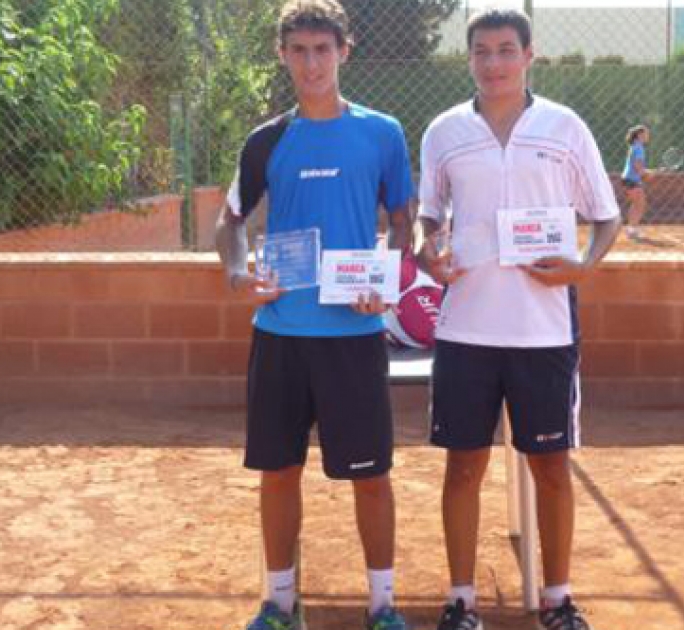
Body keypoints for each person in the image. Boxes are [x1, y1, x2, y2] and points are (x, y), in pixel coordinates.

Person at [417, 9, 621, 630]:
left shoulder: (564, 127)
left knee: (552, 470)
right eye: (481, 51)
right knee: (463, 467)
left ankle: (558, 599)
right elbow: (430, 215)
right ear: (469, 58)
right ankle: (462, 600)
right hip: (465, 333)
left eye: (506, 50)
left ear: (529, 56)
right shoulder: (444, 132)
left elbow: (606, 216)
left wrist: (581, 266)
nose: (494, 63)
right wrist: (432, 249)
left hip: (544, 332)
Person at [215, 2, 414, 629]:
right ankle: (279, 604)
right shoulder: (266, 139)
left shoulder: (383, 133)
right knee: (278, 472)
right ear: (282, 56)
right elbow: (230, 222)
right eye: (297, 51)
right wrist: (238, 271)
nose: (311, 63)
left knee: (371, 476)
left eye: (322, 50)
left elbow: (404, 224)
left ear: (344, 52)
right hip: (280, 335)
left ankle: (382, 606)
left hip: (354, 333)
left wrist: (385, 284)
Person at [621, 124, 653, 240]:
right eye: (646, 134)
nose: (648, 136)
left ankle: (631, 229)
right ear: (640, 135)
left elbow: (637, 166)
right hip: (632, 179)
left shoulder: (634, 146)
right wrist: (646, 173)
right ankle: (632, 230)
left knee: (636, 204)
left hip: (628, 179)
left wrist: (644, 172)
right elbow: (637, 165)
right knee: (640, 204)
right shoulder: (639, 147)